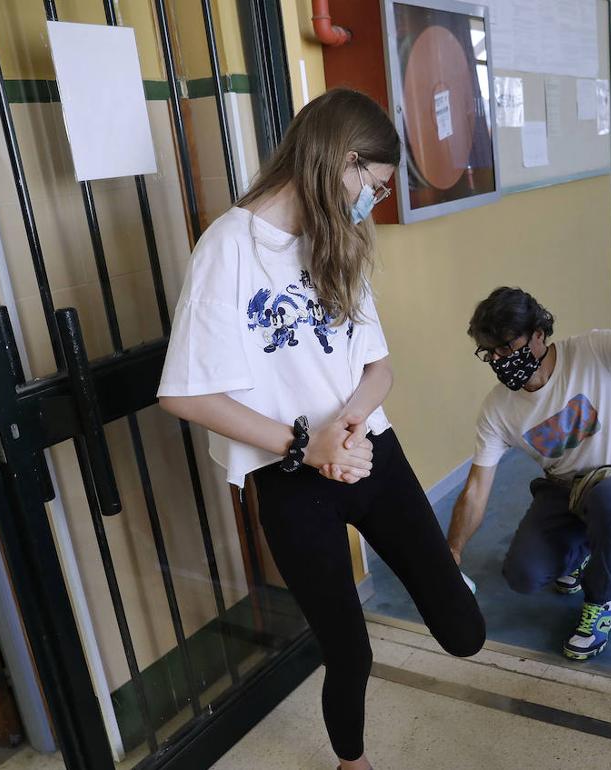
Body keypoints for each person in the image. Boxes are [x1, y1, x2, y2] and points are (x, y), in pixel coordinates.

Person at [156, 88, 484, 770]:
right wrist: (308, 447)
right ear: (347, 160)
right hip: (290, 478)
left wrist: (349, 426)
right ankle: (351, 763)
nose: (376, 202)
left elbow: (379, 367)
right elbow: (186, 392)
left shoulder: (335, 235)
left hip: (369, 453)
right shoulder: (229, 246)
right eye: (379, 186)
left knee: (464, 631)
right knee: (349, 650)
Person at [447, 288, 611, 661]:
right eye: (490, 353)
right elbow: (476, 488)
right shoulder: (498, 409)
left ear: (539, 333)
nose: (501, 360)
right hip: (565, 490)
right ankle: (582, 551)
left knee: (609, 501)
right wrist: (452, 550)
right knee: (523, 576)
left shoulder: (594, 351)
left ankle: (601, 602)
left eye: (507, 347)